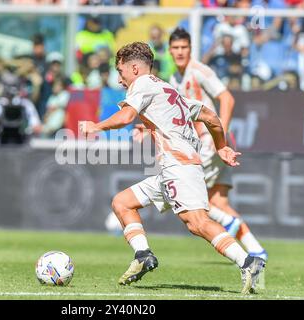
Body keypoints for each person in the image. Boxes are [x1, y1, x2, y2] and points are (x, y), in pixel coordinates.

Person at [79, 42, 266, 294]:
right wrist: (221, 146)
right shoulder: (168, 88)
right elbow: (210, 116)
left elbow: (125, 117)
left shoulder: (142, 84)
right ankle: (143, 255)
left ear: (135, 68)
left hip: (180, 166)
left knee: (197, 222)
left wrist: (95, 126)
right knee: (122, 202)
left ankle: (248, 261)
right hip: (172, 169)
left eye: (121, 71)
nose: (120, 78)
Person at [167, 28, 268, 260]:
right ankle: (256, 251)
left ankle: (229, 223)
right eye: (176, 48)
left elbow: (226, 97)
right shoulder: (174, 78)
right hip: (207, 143)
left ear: (190, 49)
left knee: (185, 191)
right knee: (218, 201)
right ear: (170, 50)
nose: (180, 52)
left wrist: (219, 134)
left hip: (209, 142)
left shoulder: (200, 71)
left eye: (184, 47)